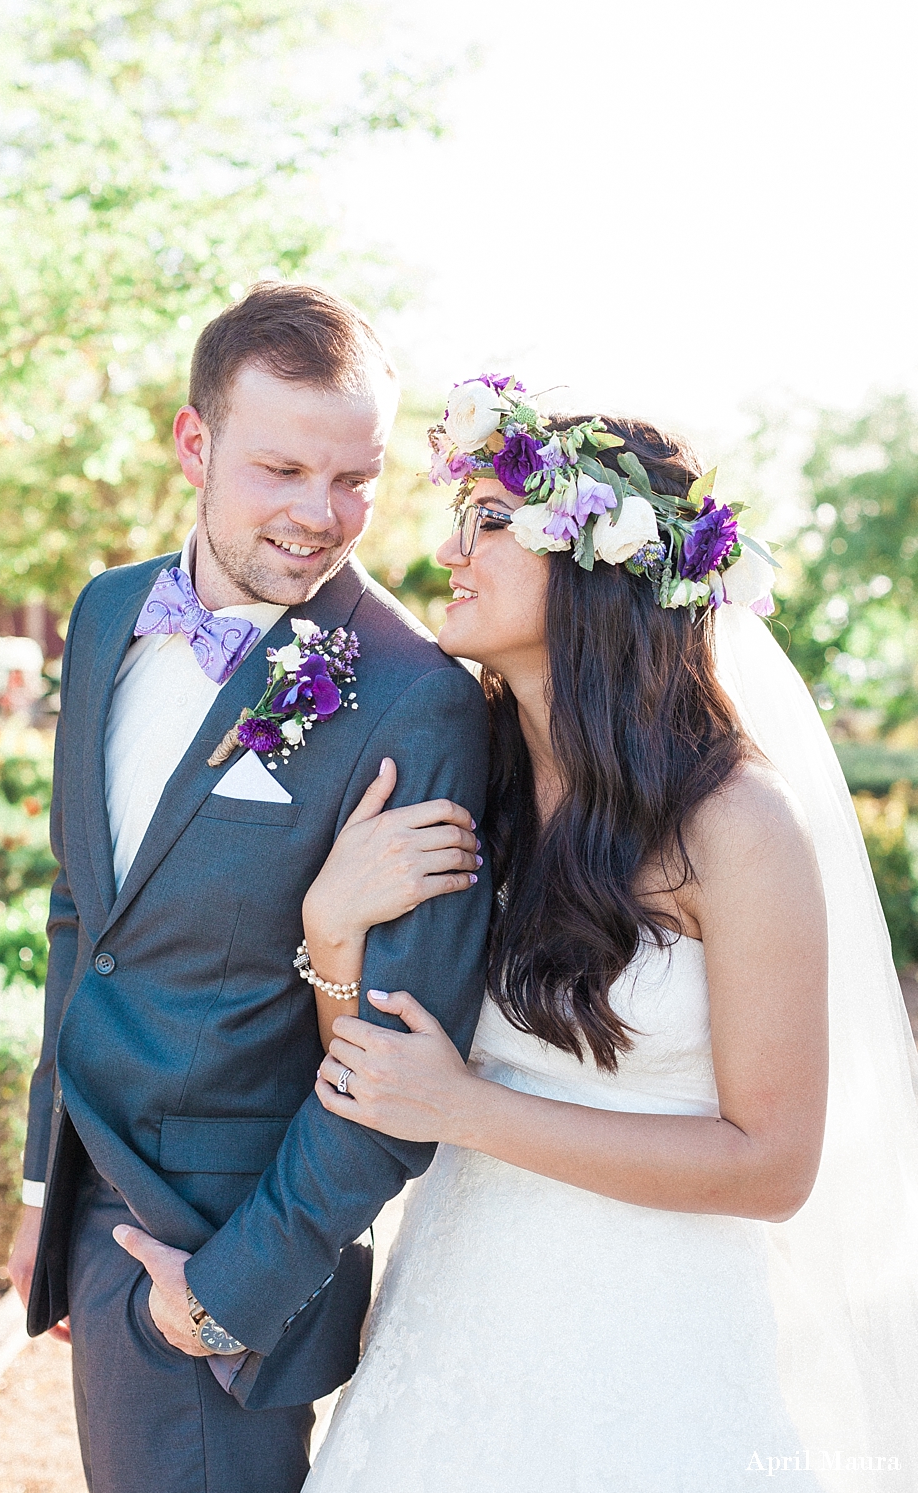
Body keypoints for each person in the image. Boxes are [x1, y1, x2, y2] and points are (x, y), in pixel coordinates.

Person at [300, 381, 918, 1490]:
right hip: (446, 1326)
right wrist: (330, 935)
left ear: (595, 567)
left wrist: (468, 1107)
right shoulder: (465, 773)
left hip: (652, 1350)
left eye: (491, 520)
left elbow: (773, 1164)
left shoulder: (734, 821)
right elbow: (378, 1073)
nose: (450, 545)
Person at [6, 285, 493, 1493]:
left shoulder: (413, 695)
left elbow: (399, 1062)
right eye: (280, 468)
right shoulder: (107, 609)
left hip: (226, 1257)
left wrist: (225, 1299)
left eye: (354, 478)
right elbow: (84, 918)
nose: (319, 517)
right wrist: (40, 1189)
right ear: (192, 442)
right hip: (90, 1203)